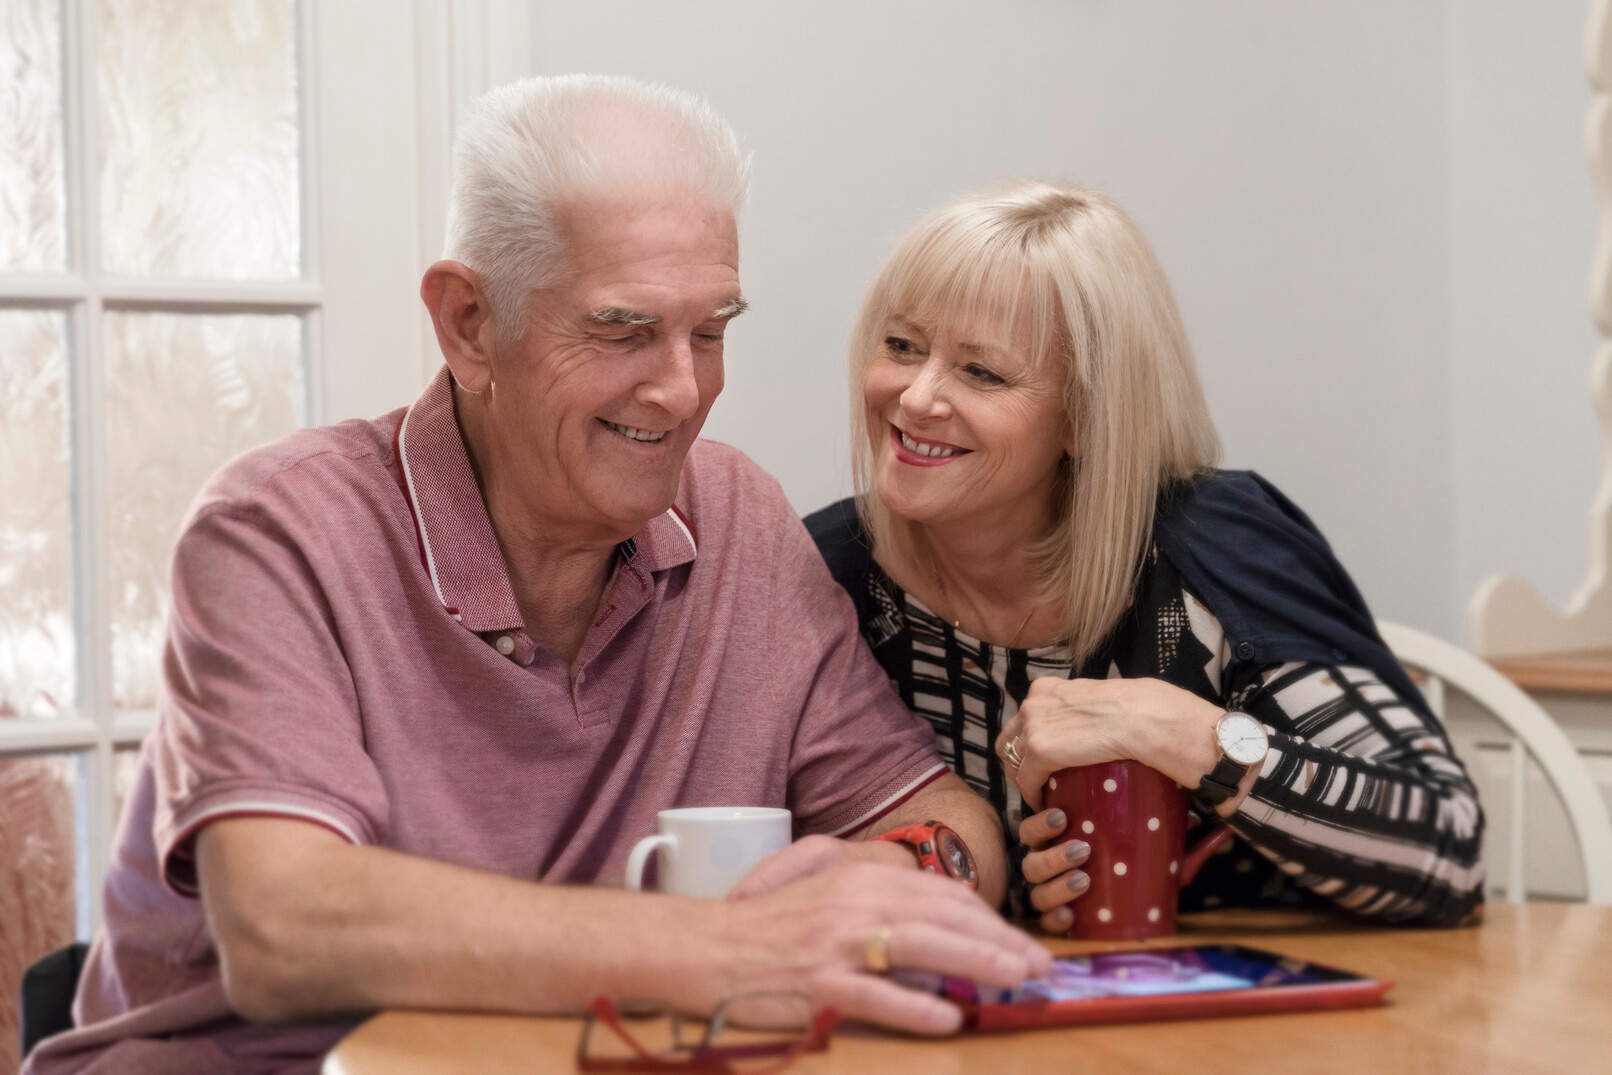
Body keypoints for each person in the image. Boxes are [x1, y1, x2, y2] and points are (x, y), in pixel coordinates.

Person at [24, 78, 1050, 1075]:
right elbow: (285, 929)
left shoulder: (737, 514)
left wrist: (885, 871)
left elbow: (951, 822)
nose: (684, 389)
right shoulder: (277, 530)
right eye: (623, 330)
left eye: (711, 330)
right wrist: (736, 952)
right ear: (470, 323)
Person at [806, 181, 1485, 934]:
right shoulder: (822, 573)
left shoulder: (1217, 546)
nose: (916, 397)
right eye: (902, 346)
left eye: (982, 372)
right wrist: (1031, 896)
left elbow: (1449, 846)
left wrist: (1180, 734)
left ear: (1088, 417)